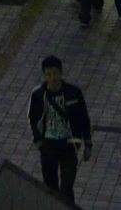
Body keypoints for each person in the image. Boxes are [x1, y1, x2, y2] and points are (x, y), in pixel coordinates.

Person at [27, 56, 92, 206]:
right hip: (48, 145)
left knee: (66, 187)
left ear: (61, 73)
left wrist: (87, 144)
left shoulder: (73, 93)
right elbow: (33, 118)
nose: (52, 78)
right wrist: (38, 141)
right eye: (48, 74)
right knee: (50, 188)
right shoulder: (38, 95)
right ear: (44, 75)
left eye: (55, 73)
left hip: (68, 145)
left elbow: (83, 118)